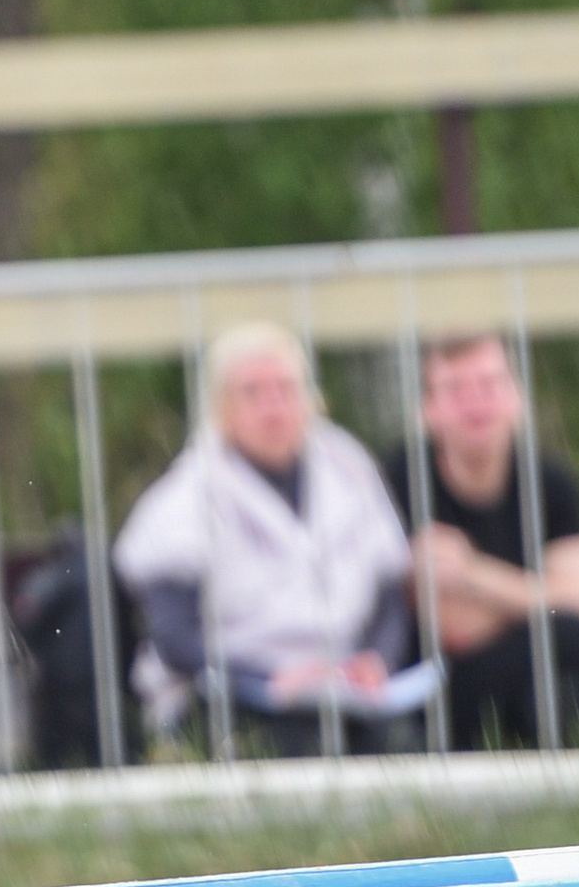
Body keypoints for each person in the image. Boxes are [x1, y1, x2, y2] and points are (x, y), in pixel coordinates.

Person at [113, 322, 426, 754]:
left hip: (346, 691)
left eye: (286, 388)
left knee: (400, 745)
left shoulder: (350, 469)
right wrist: (268, 678)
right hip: (229, 697)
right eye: (253, 392)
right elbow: (174, 637)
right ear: (219, 407)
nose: (273, 407)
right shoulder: (182, 498)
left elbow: (389, 591)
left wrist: (377, 659)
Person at [384, 335, 579, 748]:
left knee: (560, 698)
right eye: (456, 389)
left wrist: (471, 574)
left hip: (535, 677)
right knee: (571, 639)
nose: (476, 403)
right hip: (439, 688)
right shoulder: (402, 481)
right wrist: (546, 603)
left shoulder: (551, 482)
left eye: (489, 385)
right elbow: (451, 626)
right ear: (427, 409)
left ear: (516, 397)